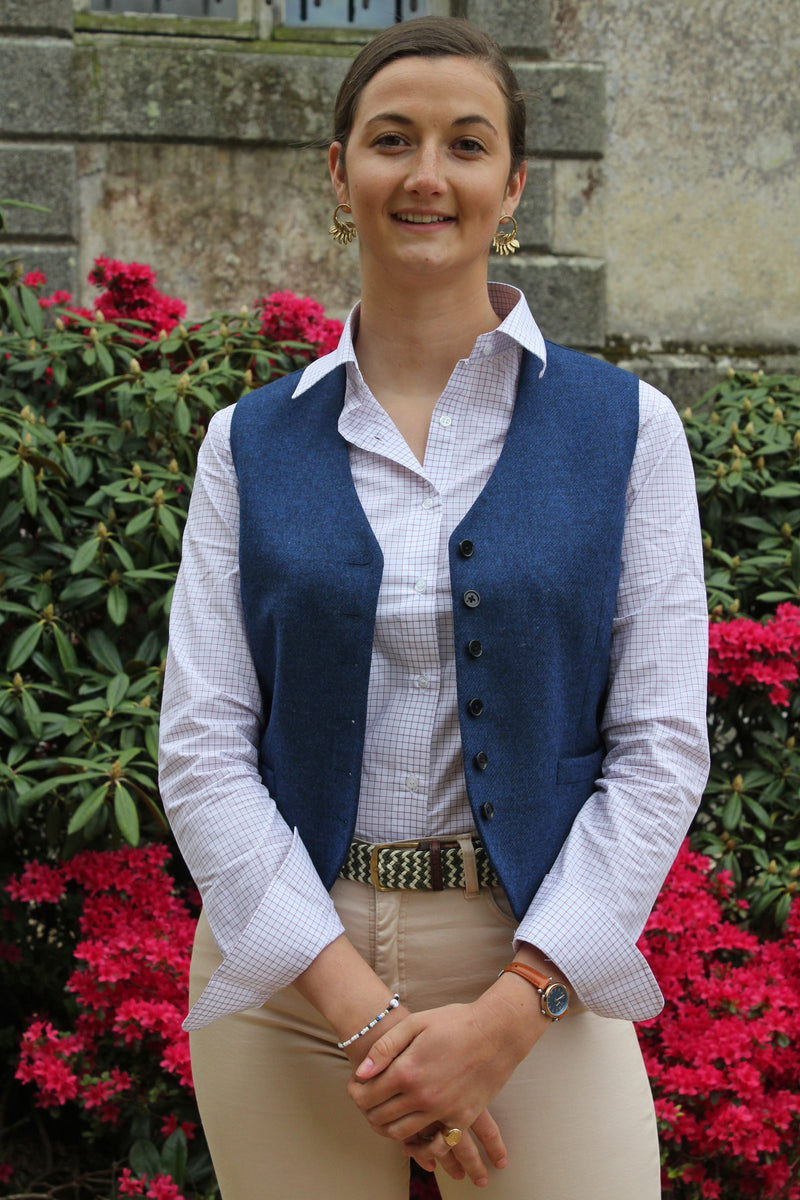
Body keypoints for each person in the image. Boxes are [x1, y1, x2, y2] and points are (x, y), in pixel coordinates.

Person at [158, 15, 709, 1199]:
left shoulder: (628, 431)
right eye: (390, 140)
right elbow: (202, 748)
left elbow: (659, 745)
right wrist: (354, 1007)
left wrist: (514, 1009)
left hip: (530, 966)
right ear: (338, 172)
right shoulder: (246, 443)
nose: (424, 174)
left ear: (509, 183)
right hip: (295, 972)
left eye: (465, 145)